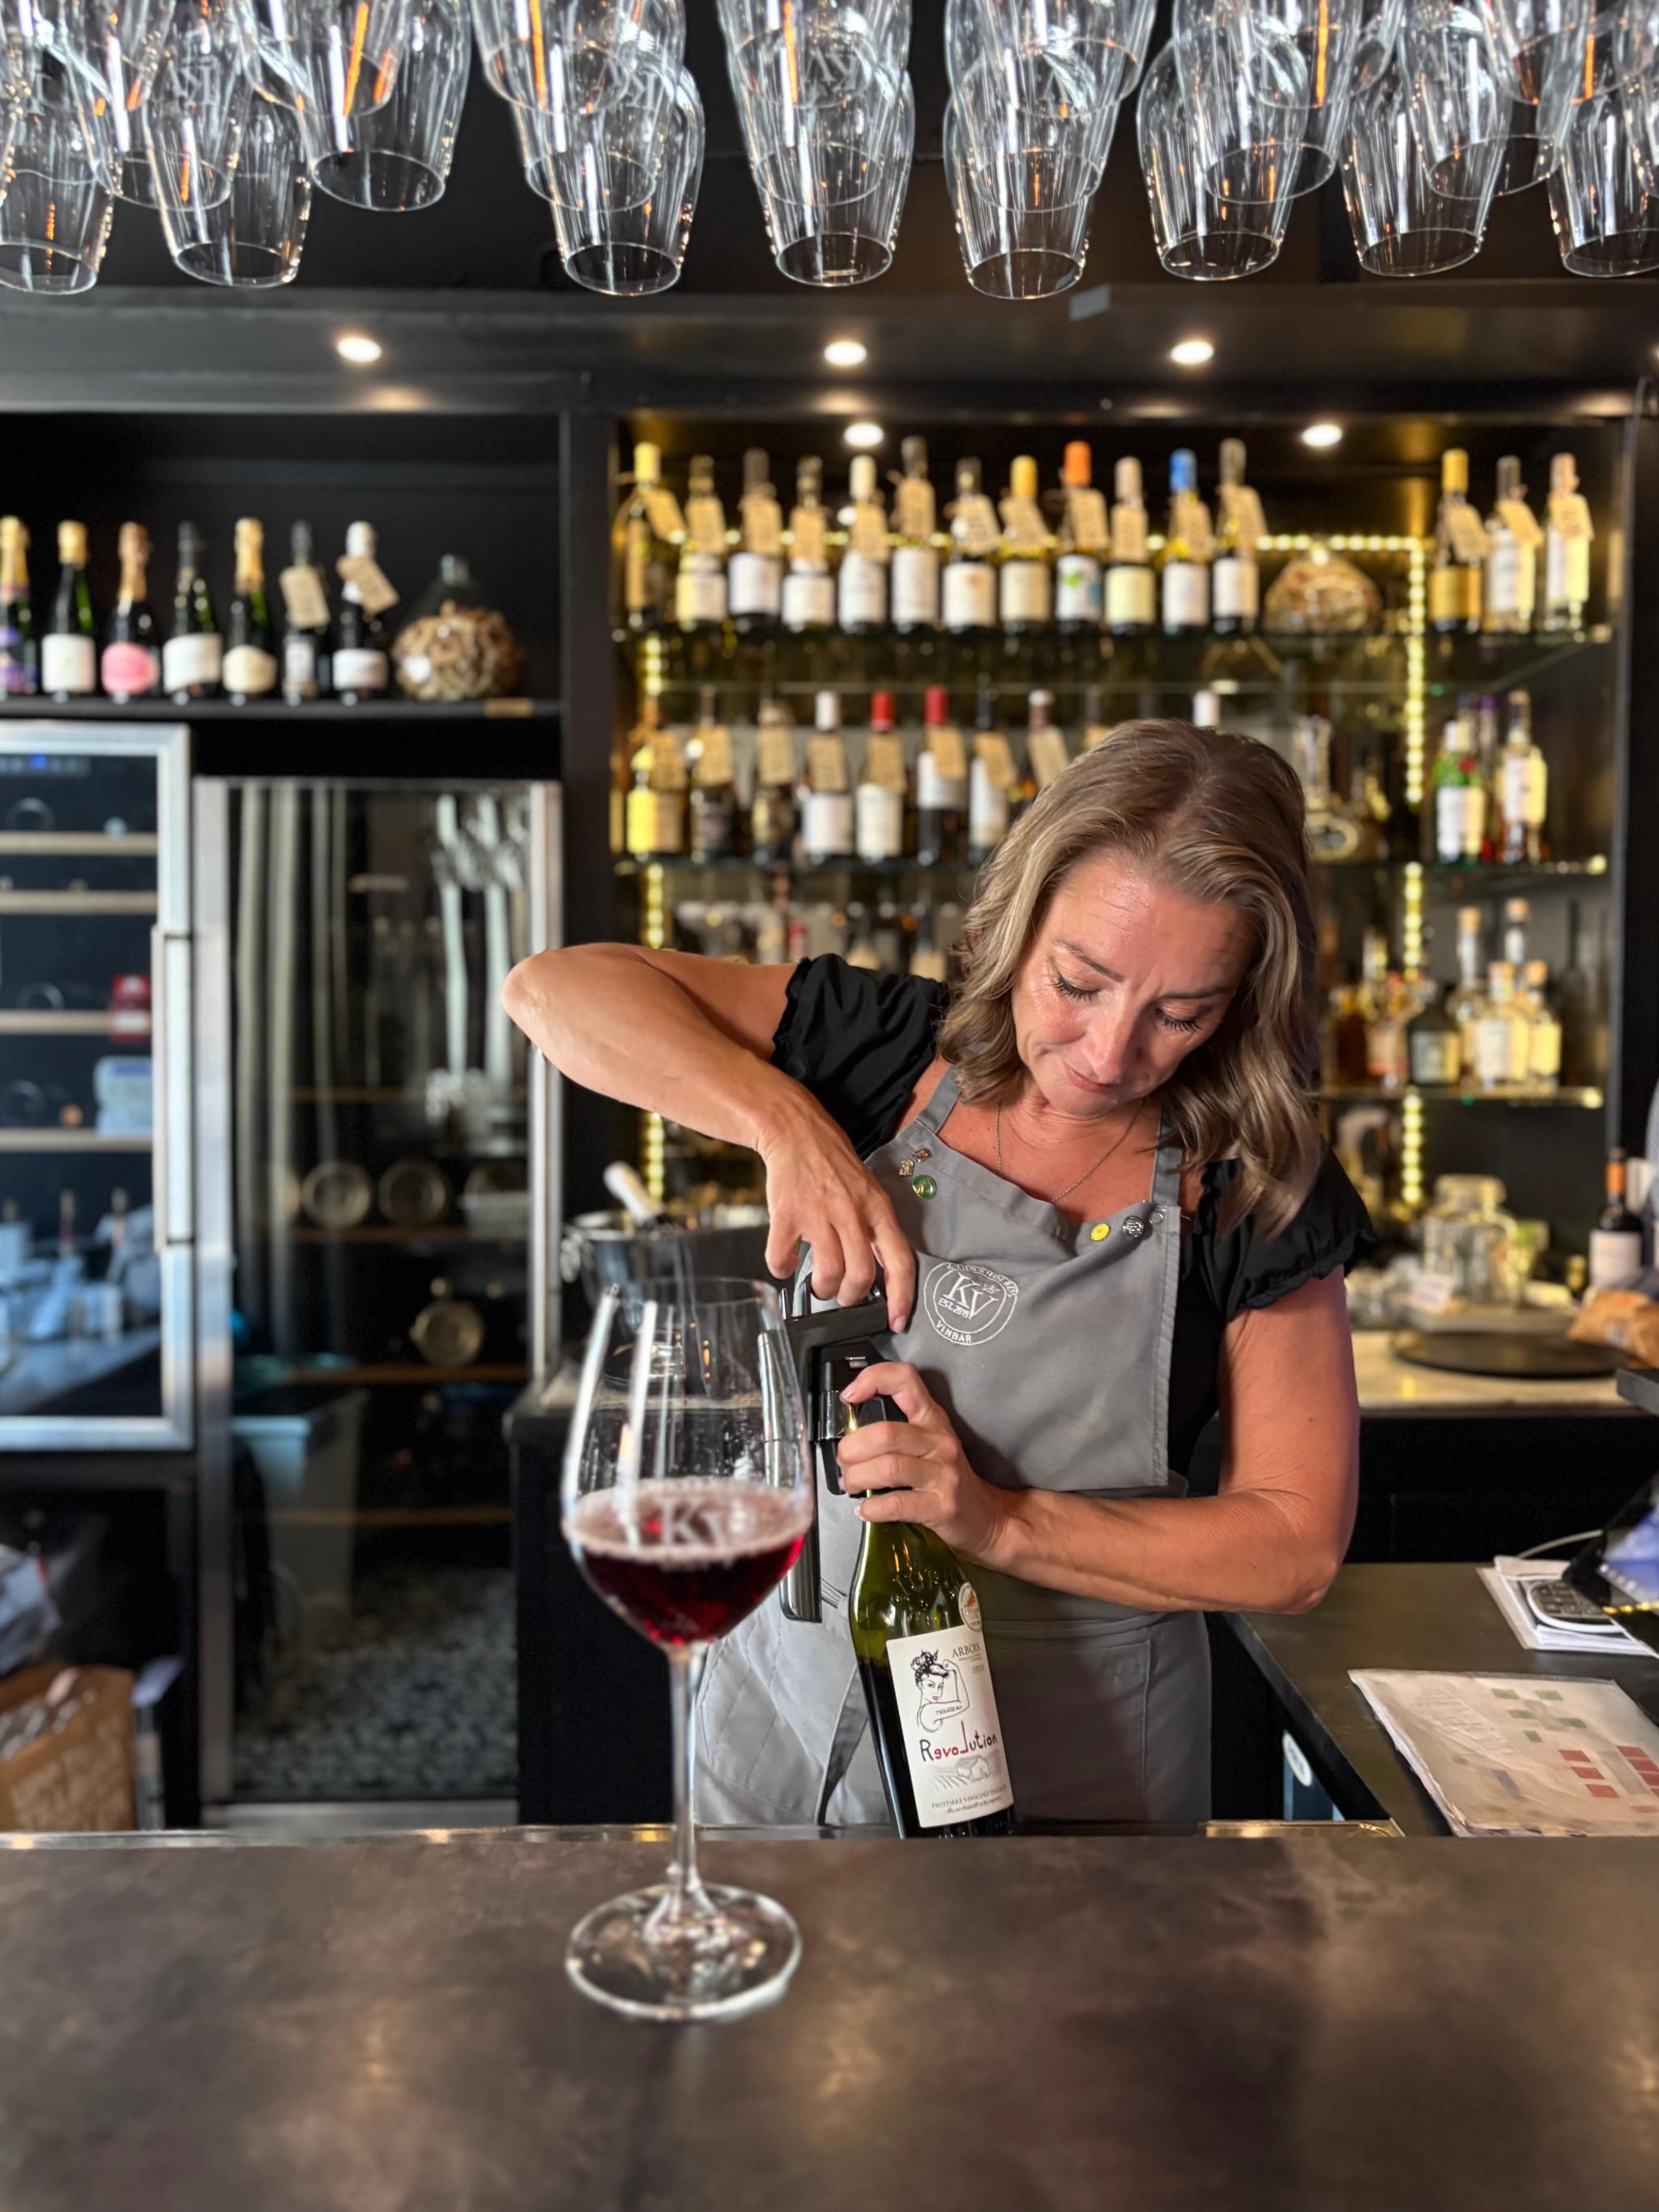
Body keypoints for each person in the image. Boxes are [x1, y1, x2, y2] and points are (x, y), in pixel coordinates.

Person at [504, 718, 1370, 1826]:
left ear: (1244, 997)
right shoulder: (886, 1048)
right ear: (1017, 923)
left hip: (1073, 1775)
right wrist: (787, 1126)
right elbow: (554, 989)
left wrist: (999, 1521)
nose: (1109, 1053)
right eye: (1078, 982)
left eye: (1179, 1014)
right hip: (787, 1728)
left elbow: (1293, 1548)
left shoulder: (1259, 1183)